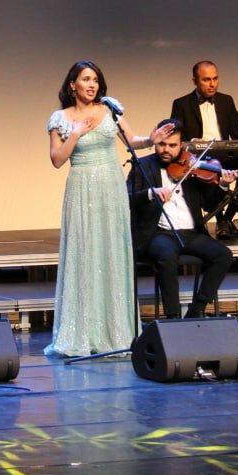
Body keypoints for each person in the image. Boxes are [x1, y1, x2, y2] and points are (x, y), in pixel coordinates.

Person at [45, 61, 174, 357]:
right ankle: (81, 332)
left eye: (95, 80)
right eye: (86, 79)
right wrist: (75, 133)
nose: (92, 85)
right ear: (72, 85)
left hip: (111, 188)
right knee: (85, 251)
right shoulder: (60, 118)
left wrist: (151, 140)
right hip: (82, 187)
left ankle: (117, 331)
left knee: (111, 251)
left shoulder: (110, 109)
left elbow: (132, 141)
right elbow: (56, 159)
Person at [129, 118, 238, 319]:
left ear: (181, 145)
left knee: (223, 255)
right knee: (166, 256)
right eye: (162, 144)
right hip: (159, 234)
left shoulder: (193, 166)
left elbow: (209, 205)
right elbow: (127, 198)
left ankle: (197, 310)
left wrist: (223, 185)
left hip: (191, 234)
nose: (166, 150)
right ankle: (173, 317)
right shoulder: (142, 166)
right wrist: (151, 193)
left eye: (172, 145)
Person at [169, 60, 238, 239]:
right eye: (206, 79)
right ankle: (220, 219)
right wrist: (194, 141)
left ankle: (226, 219)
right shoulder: (181, 104)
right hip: (198, 160)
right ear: (195, 81)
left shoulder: (226, 101)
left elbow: (237, 133)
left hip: (225, 156)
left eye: (215, 79)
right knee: (212, 178)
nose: (212, 84)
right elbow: (175, 137)